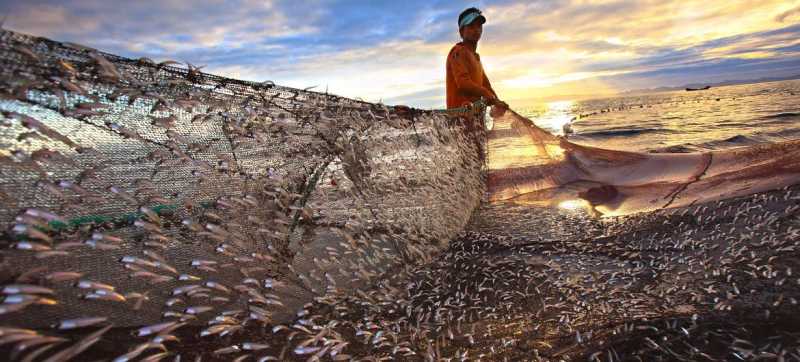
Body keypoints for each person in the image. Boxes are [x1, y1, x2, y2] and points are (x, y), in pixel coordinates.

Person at [446, 7, 508, 118]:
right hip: (459, 121)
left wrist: (497, 101)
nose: (476, 30)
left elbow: (486, 86)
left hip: (476, 121)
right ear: (461, 32)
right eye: (470, 26)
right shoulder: (458, 52)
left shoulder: (476, 58)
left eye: (479, 26)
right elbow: (463, 83)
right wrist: (487, 94)